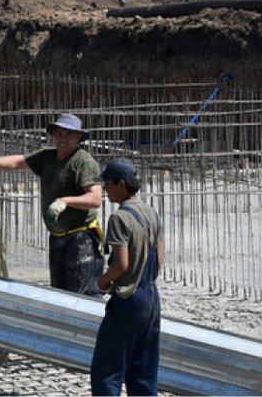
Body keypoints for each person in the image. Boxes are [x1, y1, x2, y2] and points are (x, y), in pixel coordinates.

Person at [0, 113, 104, 296]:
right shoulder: (48, 158)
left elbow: (95, 199)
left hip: (80, 238)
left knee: (83, 295)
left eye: (68, 134)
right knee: (60, 293)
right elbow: (19, 161)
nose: (62, 139)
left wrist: (65, 201)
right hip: (57, 236)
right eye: (58, 134)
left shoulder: (83, 162)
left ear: (78, 137)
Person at [91, 158, 164, 396]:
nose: (105, 190)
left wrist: (102, 282)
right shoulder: (152, 212)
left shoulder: (119, 218)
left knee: (107, 372)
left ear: (121, 184)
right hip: (151, 298)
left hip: (129, 299)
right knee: (143, 373)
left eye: (108, 184)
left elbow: (121, 264)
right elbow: (160, 260)